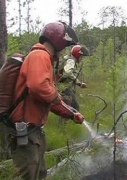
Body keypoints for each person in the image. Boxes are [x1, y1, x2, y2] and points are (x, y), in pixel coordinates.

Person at [8, 22, 85, 180]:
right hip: (25, 131)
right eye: (65, 45)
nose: (64, 49)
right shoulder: (39, 55)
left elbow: (48, 99)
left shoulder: (45, 58)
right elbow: (38, 86)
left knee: (39, 174)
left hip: (33, 132)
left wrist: (71, 114)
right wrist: (56, 96)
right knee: (29, 176)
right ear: (58, 41)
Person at [57, 44, 89, 111]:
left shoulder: (67, 58)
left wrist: (78, 83)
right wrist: (77, 82)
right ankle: (72, 119)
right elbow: (67, 73)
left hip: (60, 85)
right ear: (77, 55)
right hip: (64, 87)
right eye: (81, 57)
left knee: (66, 106)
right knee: (75, 107)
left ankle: (65, 120)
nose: (81, 58)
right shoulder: (71, 61)